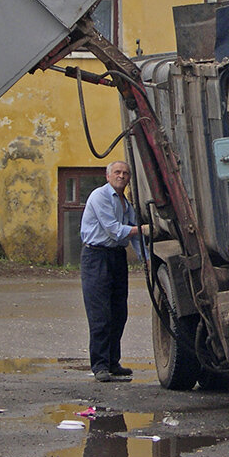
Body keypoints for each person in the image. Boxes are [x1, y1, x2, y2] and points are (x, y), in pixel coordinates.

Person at [80, 160, 143, 383]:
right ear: (108, 176)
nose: (121, 176)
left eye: (125, 173)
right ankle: (99, 366)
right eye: (117, 172)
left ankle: (113, 362)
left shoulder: (125, 203)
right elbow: (116, 231)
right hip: (96, 257)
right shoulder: (100, 196)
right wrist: (143, 230)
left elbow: (134, 237)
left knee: (119, 313)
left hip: (117, 257)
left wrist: (146, 259)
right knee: (100, 314)